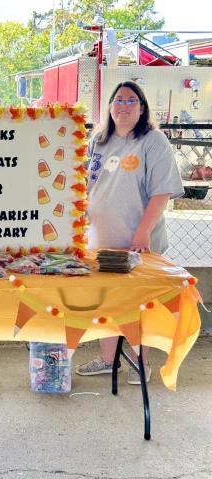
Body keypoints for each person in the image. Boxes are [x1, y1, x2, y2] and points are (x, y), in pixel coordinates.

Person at [75, 81, 184, 385]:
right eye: (118, 100)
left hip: (138, 241)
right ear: (109, 107)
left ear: (142, 108)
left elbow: (162, 193)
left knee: (141, 304)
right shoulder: (99, 140)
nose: (123, 106)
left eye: (131, 101)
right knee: (106, 302)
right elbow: (88, 184)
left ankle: (140, 362)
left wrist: (143, 232)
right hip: (102, 239)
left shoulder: (153, 141)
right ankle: (108, 360)